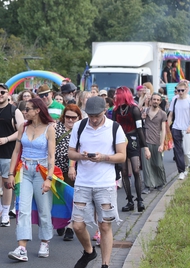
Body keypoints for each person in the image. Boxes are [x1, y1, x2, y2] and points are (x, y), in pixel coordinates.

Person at [68, 96, 126, 268]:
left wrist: (103, 157)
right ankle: (89, 251)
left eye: (96, 116)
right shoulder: (79, 126)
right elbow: (71, 153)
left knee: (104, 226)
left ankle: (105, 264)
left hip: (105, 184)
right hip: (83, 182)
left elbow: (122, 156)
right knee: (77, 225)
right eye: (90, 115)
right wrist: (82, 156)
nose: (93, 119)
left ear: (104, 111)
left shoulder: (115, 127)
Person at [6, 98, 56, 261]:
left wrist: (49, 178)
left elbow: (51, 155)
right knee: (23, 209)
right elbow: (16, 151)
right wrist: (11, 173)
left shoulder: (49, 129)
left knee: (44, 209)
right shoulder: (23, 127)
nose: (24, 112)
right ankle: (22, 248)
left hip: (41, 171)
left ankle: (45, 241)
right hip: (25, 170)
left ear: (38, 110)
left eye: (27, 109)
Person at [0, 83, 24, 227]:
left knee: (7, 184)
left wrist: (6, 139)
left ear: (8, 94)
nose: (0, 94)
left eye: (3, 92)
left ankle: (6, 212)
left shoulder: (14, 111)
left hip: (9, 152)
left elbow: (21, 130)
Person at [113, 86, 151, 212]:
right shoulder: (116, 111)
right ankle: (129, 200)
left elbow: (140, 129)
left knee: (135, 169)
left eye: (117, 95)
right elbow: (113, 129)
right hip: (120, 141)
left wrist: (145, 147)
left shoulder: (134, 109)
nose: (114, 97)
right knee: (124, 171)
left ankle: (139, 200)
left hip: (133, 139)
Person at [55, 104, 82, 241]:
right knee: (59, 197)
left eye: (74, 117)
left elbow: (77, 150)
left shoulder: (80, 130)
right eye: (68, 117)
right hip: (56, 169)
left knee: (73, 197)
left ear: (78, 117)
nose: (70, 120)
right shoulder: (56, 127)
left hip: (73, 168)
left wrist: (72, 167)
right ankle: (61, 221)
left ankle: (70, 227)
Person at [168, 80, 190, 180]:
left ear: (186, 90)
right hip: (176, 128)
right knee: (178, 151)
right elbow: (170, 115)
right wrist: (167, 127)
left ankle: (189, 164)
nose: (180, 92)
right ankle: (181, 171)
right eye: (178, 90)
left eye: (182, 90)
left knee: (187, 152)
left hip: (187, 128)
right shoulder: (174, 99)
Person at [142, 93, 168, 191]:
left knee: (158, 164)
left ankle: (160, 183)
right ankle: (148, 186)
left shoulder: (162, 114)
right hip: (146, 142)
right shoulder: (145, 111)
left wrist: (162, 144)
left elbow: (163, 130)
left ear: (160, 101)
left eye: (158, 100)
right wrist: (142, 117)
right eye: (154, 99)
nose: (155, 101)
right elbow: (138, 108)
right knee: (146, 165)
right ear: (151, 100)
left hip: (157, 141)